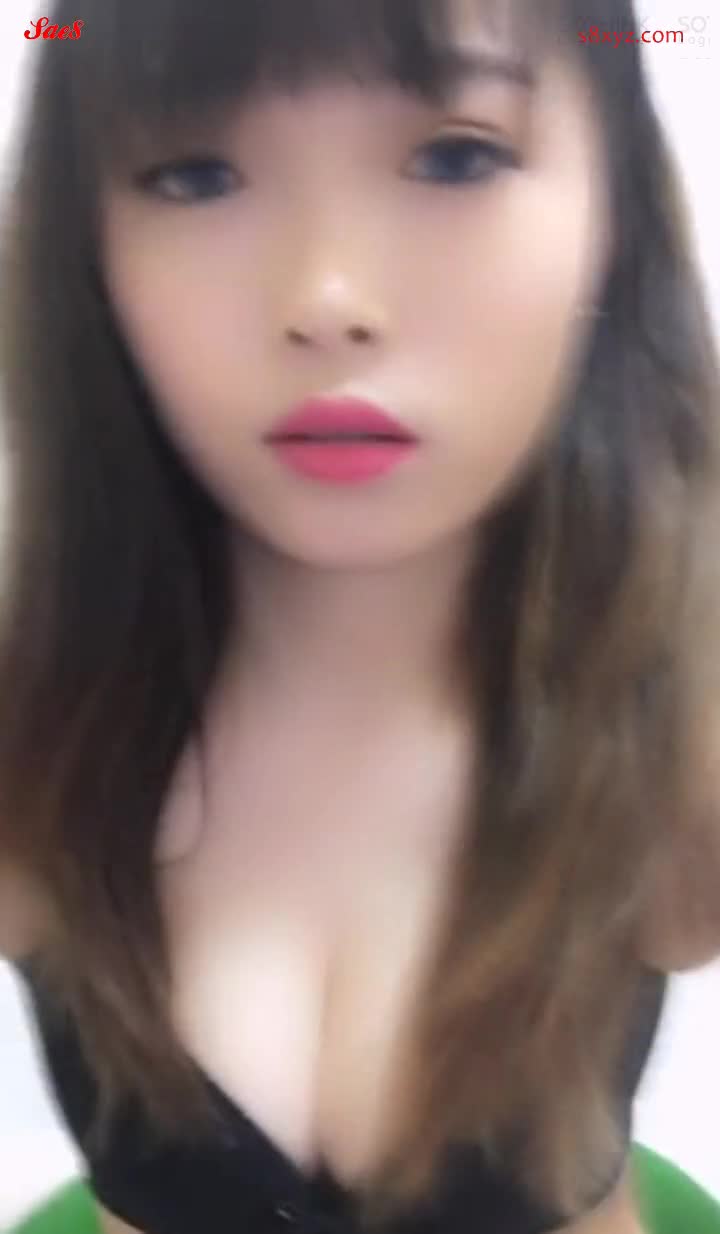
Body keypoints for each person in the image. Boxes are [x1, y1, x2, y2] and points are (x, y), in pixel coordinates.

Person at [1, 0, 719, 1232]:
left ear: (615, 214)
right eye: (195, 174)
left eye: (457, 157)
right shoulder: (31, 729)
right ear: (88, 251)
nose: (327, 297)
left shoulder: (689, 730)